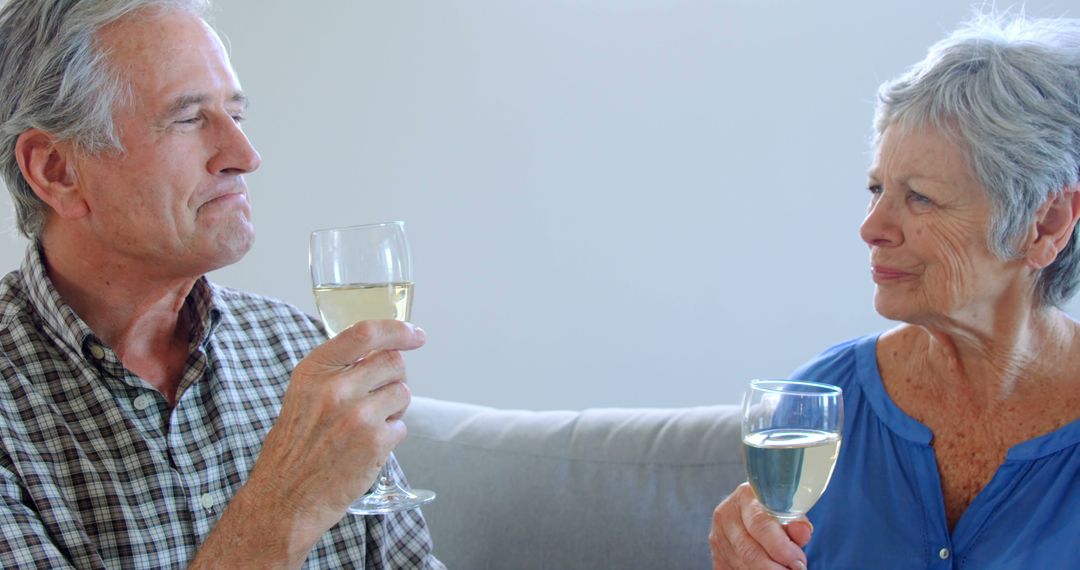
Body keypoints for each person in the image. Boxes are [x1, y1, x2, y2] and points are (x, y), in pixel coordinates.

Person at [0, 0, 443, 567]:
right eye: (188, 119)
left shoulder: (298, 348)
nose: (245, 155)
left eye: (236, 115)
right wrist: (290, 499)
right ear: (56, 170)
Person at [709, 11, 1080, 570]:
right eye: (877, 188)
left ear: (1046, 223)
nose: (871, 228)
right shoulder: (821, 400)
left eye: (921, 198)